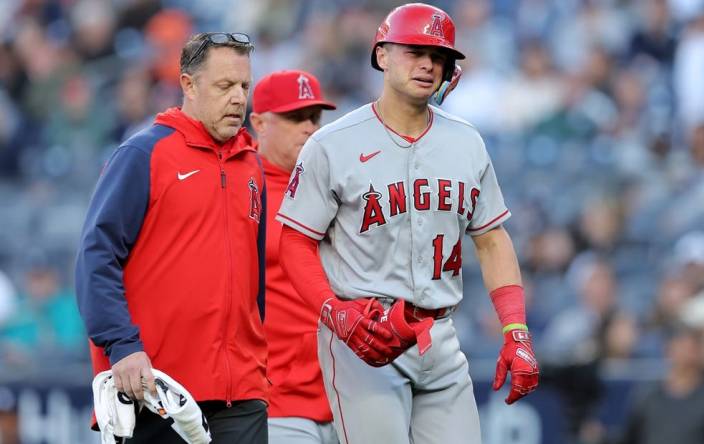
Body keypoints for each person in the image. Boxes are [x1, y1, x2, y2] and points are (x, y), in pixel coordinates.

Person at [276, 4, 539, 443]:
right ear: (381, 54)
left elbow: (492, 240)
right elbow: (295, 243)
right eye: (415, 50)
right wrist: (334, 311)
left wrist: (516, 329)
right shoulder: (332, 144)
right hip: (366, 336)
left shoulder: (466, 141)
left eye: (439, 57)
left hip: (441, 335)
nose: (428, 64)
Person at [75, 32, 269, 443]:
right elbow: (96, 257)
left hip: (242, 393)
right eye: (224, 86)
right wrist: (122, 346)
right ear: (188, 85)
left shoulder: (251, 165)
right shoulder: (144, 154)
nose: (238, 98)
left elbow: (255, 281)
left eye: (244, 86)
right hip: (158, 390)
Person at [248, 69, 339, 443]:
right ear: (259, 123)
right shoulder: (237, 185)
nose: (308, 128)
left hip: (343, 396)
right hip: (275, 398)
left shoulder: (338, 184)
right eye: (294, 117)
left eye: (314, 118)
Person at [618, 324, 704, 444]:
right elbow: (629, 437)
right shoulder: (647, 396)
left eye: (692, 348)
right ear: (668, 349)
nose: (686, 353)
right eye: (681, 346)